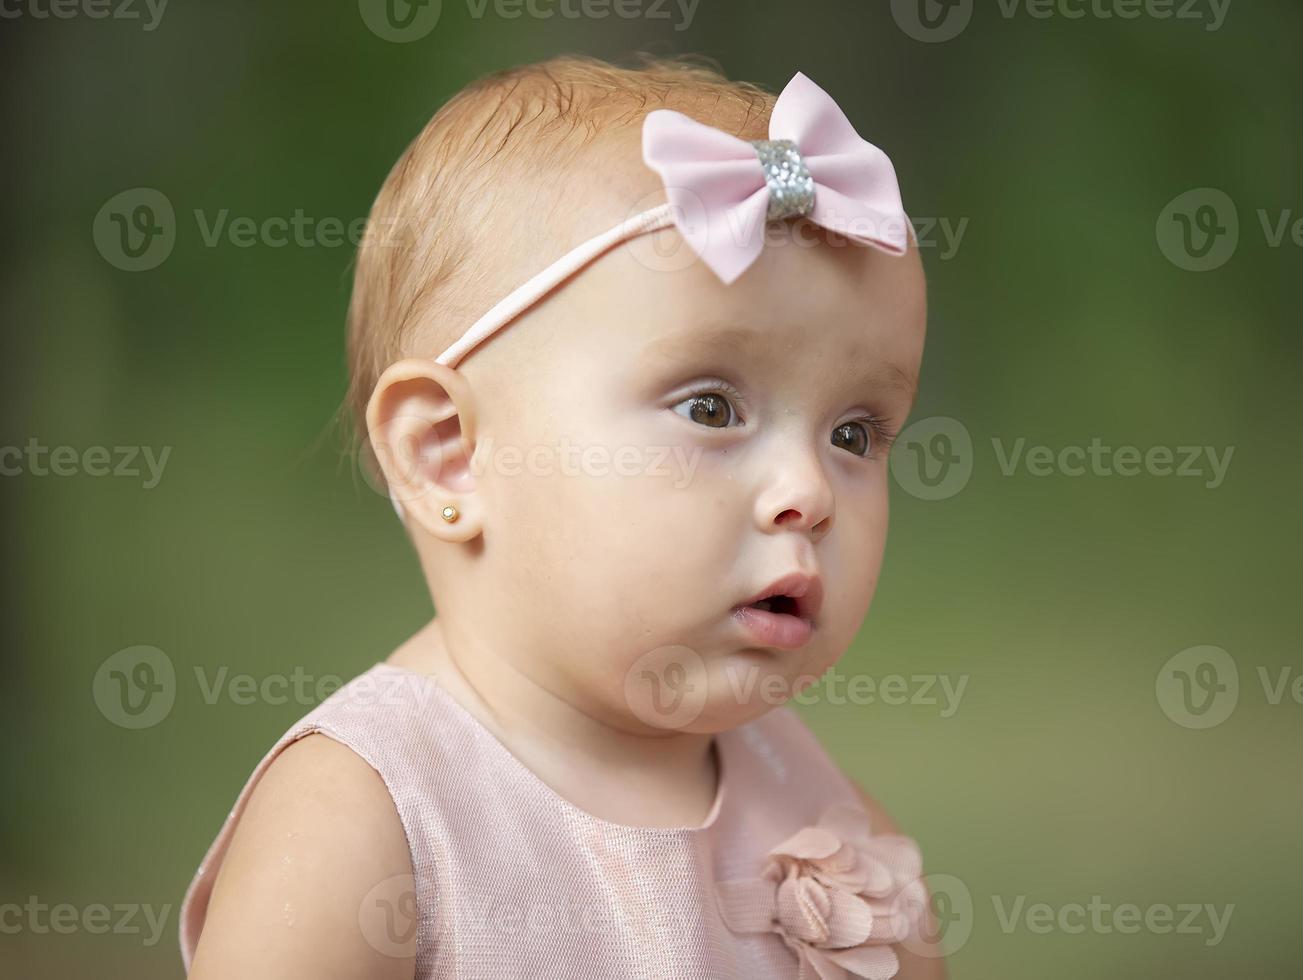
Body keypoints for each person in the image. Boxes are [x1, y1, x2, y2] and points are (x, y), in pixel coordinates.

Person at [181, 53, 943, 979]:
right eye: (711, 409)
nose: (810, 493)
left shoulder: (820, 818)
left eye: (855, 434)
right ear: (447, 452)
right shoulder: (365, 820)